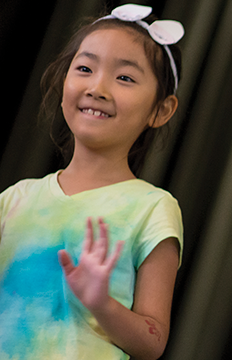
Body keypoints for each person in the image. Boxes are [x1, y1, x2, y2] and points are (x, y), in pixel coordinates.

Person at [0, 4, 186, 360]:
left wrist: (101, 303)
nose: (98, 87)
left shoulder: (152, 207)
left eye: (125, 78)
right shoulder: (14, 199)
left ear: (160, 110)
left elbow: (153, 342)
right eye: (85, 68)